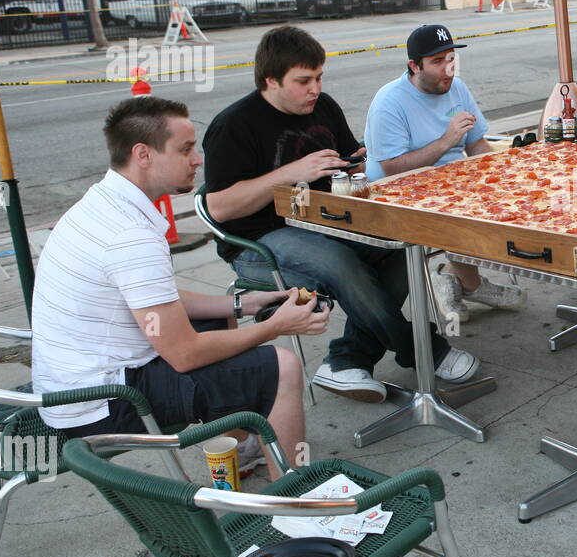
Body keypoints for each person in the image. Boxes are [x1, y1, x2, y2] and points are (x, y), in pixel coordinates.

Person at [31, 97, 325, 479]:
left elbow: (153, 301)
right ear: (143, 154)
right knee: (283, 366)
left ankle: (245, 446)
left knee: (219, 320)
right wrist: (276, 326)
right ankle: (293, 496)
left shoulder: (103, 202)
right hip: (102, 404)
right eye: (185, 149)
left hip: (73, 386)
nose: (197, 160)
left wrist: (245, 304)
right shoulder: (130, 236)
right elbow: (184, 355)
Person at [202, 25, 480, 405]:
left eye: (318, 77)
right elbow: (219, 207)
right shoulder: (233, 125)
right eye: (303, 81)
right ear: (271, 80)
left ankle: (346, 359)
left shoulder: (324, 106)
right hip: (257, 241)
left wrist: (354, 167)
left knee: (401, 245)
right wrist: (291, 173)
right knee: (340, 263)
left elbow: (350, 164)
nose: (314, 89)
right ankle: (424, 350)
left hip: (326, 219)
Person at [363, 24, 525, 323]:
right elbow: (391, 167)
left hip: (452, 180)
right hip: (398, 189)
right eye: (437, 62)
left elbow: (476, 142)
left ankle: (451, 274)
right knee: (462, 210)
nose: (448, 69)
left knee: (513, 200)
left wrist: (502, 176)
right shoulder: (390, 101)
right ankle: (474, 285)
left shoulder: (457, 88)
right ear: (414, 66)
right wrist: (446, 142)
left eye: (450, 58)